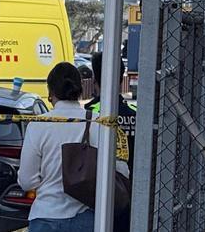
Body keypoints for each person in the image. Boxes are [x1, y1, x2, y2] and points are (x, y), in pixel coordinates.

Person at [19, 62, 130, 232]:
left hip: (45, 216)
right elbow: (119, 169)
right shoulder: (98, 121)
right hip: (86, 217)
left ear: (51, 91)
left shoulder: (38, 124)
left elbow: (27, 181)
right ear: (79, 89)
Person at [88, 51, 136, 232]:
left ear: (95, 78)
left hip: (96, 194)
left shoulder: (90, 114)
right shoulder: (133, 113)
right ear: (121, 77)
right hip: (129, 192)